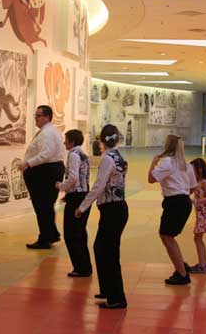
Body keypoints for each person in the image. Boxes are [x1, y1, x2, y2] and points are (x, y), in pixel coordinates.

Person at [76, 124, 128, 309]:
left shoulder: (107, 159)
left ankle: (117, 298)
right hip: (117, 209)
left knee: (108, 253)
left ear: (102, 141)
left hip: (113, 210)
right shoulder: (118, 156)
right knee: (101, 248)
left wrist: (82, 207)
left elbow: (98, 186)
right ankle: (107, 289)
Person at [148, 134, 197, 285]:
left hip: (174, 203)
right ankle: (181, 266)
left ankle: (182, 274)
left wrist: (153, 163)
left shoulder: (167, 163)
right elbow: (193, 187)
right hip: (184, 202)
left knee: (166, 236)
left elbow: (151, 179)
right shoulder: (186, 164)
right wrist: (182, 195)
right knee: (168, 236)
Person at [19, 105, 66, 249]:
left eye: (38, 116)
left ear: (46, 117)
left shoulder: (47, 133)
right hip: (50, 170)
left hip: (45, 172)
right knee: (46, 206)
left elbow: (46, 154)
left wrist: (28, 163)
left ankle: (45, 238)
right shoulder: (52, 131)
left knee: (42, 206)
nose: (36, 118)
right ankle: (51, 234)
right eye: (35, 115)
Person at [56, 129, 92, 278]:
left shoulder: (73, 155)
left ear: (72, 141)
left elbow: (73, 178)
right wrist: (68, 195)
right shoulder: (83, 154)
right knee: (80, 233)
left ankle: (80, 267)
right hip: (81, 195)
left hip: (77, 197)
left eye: (66, 140)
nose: (64, 142)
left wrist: (61, 186)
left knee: (71, 234)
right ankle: (85, 266)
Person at [189, 158, 206, 274]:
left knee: (197, 238)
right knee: (197, 238)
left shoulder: (204, 182)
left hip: (205, 214)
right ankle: (203, 264)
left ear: (199, 170)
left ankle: (203, 264)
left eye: (192, 170)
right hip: (200, 215)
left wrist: (197, 202)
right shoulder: (196, 183)